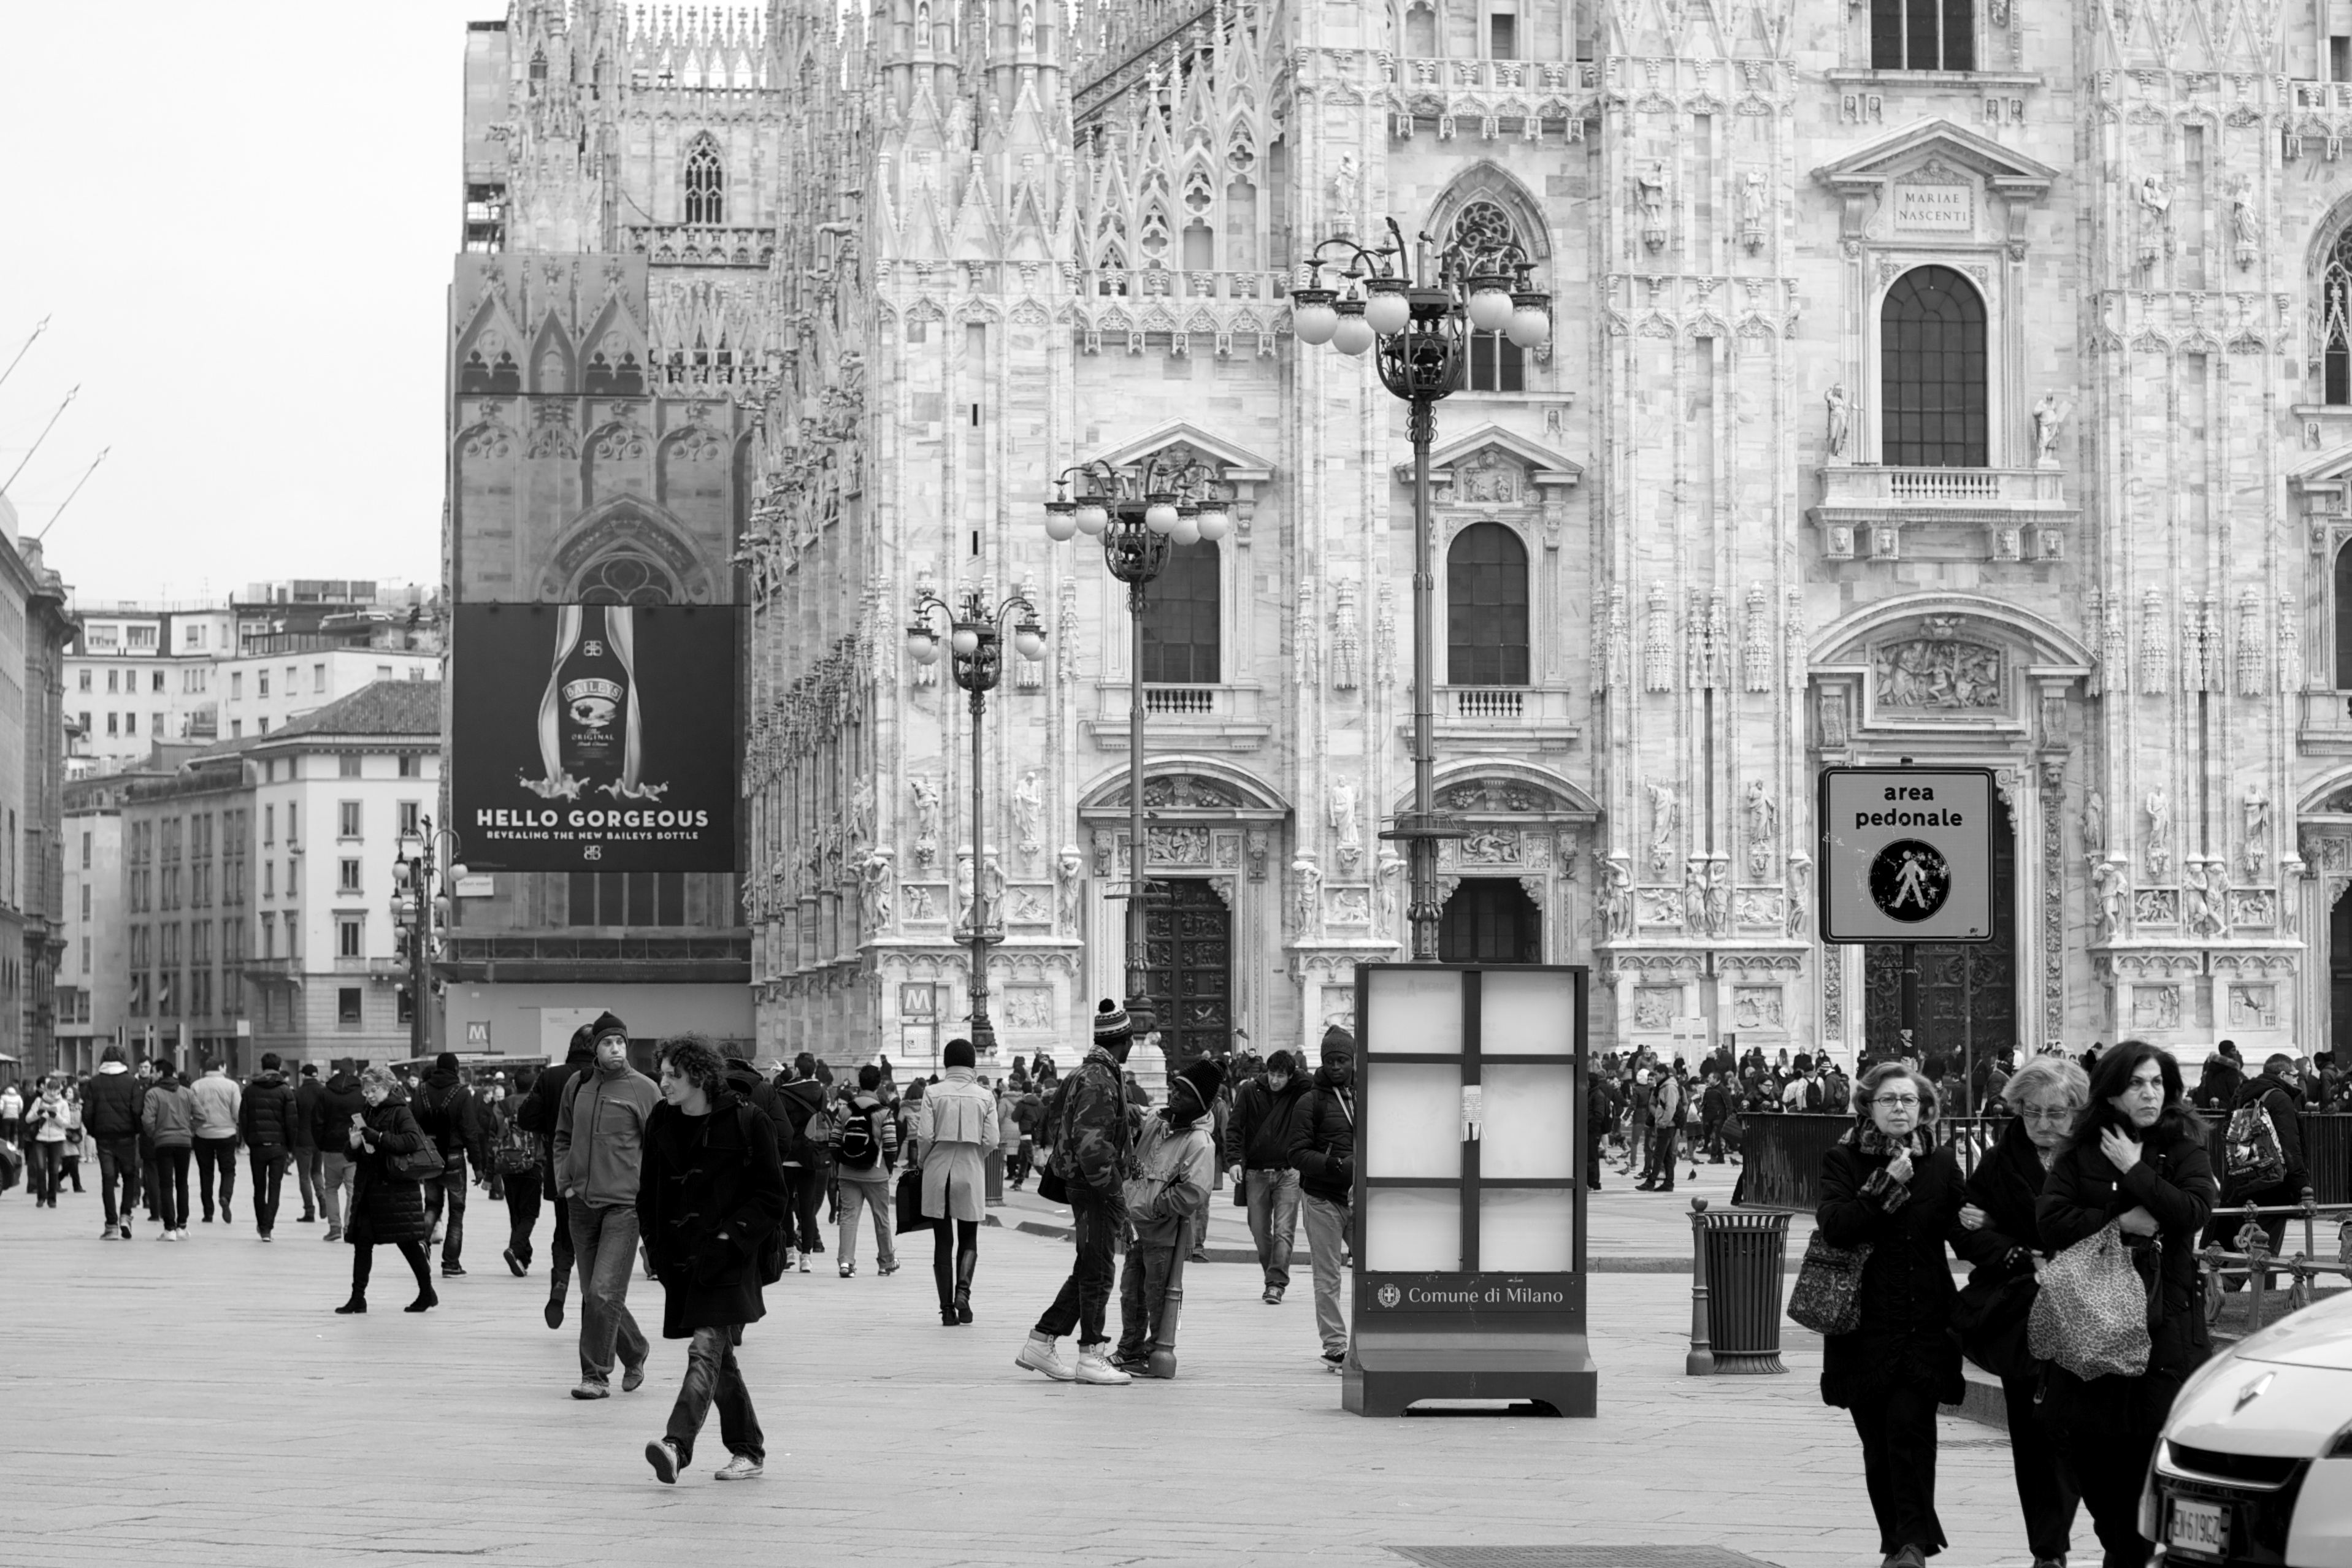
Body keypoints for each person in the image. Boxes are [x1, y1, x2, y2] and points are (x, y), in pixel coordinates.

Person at [2037, 1041, 2216, 1568]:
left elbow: (2192, 1211)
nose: (2148, 1093)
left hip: (2163, 1332)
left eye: (2157, 1082)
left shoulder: (2184, 1149)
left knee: (2145, 1468)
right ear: (2112, 1092)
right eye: (2136, 1083)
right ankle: (2121, 1549)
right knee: (2095, 1469)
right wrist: (2117, 1223)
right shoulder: (2078, 1152)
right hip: (2090, 1334)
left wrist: (2135, 1170)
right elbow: (2050, 1222)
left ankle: (2128, 1557)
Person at [1817, 1061, 1965, 1568]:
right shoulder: (1843, 1159)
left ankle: (1911, 1545)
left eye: (1908, 1099)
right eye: (1888, 1099)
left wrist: (2000, 1238)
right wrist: (1885, 1184)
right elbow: (1836, 1225)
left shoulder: (1940, 1163)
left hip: (1923, 1323)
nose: (1899, 1108)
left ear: (1924, 1108)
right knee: (1878, 1446)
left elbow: (1961, 1229)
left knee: (1910, 1430)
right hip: (1862, 1326)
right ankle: (1896, 1539)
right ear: (1868, 1106)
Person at [1953, 1055, 2089, 1568]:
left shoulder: (2097, 1155)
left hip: (2088, 1310)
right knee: (2031, 1435)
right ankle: (2047, 1549)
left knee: (2078, 1433)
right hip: (2022, 1313)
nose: (2042, 1123)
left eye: (2055, 1113)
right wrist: (2012, 1252)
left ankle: (2093, 1531)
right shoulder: (2000, 1158)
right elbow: (1965, 1228)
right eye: (2031, 1111)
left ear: (2077, 1109)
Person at [636, 1034, 786, 1485]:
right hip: (681, 1260)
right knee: (720, 1359)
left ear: (699, 1076)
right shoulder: (661, 1118)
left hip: (728, 1259)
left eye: (673, 1074)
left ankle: (676, 1445)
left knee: (704, 1349)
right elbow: (649, 1189)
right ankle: (748, 1448)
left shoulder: (747, 1119)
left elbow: (772, 1194)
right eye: (662, 1073)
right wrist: (654, 1244)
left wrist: (729, 1237)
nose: (664, 1082)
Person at [1017, 999, 1141, 1386]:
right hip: (1093, 1186)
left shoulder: (1086, 1073)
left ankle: (1042, 1340)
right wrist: (1114, 1192)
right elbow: (1092, 1144)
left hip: (1082, 1182)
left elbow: (1063, 1119)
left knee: (1089, 1266)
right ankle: (1090, 1353)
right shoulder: (1101, 1079)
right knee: (1099, 1271)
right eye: (1132, 1039)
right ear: (1125, 1040)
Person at [553, 1014, 656, 1399]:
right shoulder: (577, 1085)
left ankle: (595, 1376)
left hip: (624, 1208)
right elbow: (562, 1136)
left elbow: (659, 1150)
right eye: (608, 1043)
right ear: (595, 1048)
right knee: (595, 1293)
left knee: (602, 1293)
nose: (616, 1049)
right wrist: (566, 1183)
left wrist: (648, 1198)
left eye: (621, 1043)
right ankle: (636, 1348)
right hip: (581, 1204)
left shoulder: (644, 1089)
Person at [1114, 1059, 1220, 1378]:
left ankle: (1155, 1352)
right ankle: (1129, 1350)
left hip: (1164, 1230)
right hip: (1137, 1226)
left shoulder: (1199, 1142)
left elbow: (1194, 1192)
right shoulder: (1156, 1122)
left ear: (1199, 1103)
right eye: (1174, 1089)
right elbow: (1131, 1113)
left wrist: (1156, 1207)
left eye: (1183, 1094)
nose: (1174, 1096)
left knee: (1158, 1295)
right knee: (1131, 1292)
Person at [335, 1066, 437, 1314]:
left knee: (408, 1243)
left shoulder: (400, 1111)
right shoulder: (367, 1111)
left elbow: (412, 1140)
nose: (369, 1095)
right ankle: (358, 1298)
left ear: (387, 1088)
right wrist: (353, 1145)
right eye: (366, 1091)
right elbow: (358, 1152)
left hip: (396, 1191)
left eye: (374, 1090)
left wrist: (379, 1137)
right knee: (362, 1242)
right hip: (370, 1189)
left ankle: (426, 1292)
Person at [2204, 1051, 2309, 1290]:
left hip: (2240, 1183)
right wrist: (2302, 1188)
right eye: (2295, 1075)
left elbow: (2228, 1140)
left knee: (2248, 1246)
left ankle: (2256, 1296)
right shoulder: (2280, 1099)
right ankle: (2222, 1290)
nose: (2297, 1080)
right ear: (2282, 1074)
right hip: (2272, 1186)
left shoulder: (2241, 1095)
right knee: (2262, 1252)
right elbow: (2290, 1148)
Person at [1288, 1025, 1358, 1373]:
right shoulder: (1310, 1101)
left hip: (1361, 1200)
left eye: (1342, 1060)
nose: (1336, 1067)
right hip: (1322, 1199)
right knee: (1328, 1276)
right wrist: (1336, 1165)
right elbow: (1296, 1153)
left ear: (1353, 1060)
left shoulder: (1364, 1095)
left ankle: (1370, 1338)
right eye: (1330, 1060)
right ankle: (1335, 1346)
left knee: (1375, 1271)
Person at [519, 1025, 598, 1326]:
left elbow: (526, 1118)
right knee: (597, 1242)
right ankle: (591, 1306)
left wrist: (552, 1127)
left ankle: (560, 1285)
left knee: (565, 1235)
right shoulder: (605, 1077)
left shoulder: (551, 1076)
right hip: (602, 1176)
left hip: (562, 1171)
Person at [917, 1038, 997, 1326]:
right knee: (969, 1236)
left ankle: (947, 1310)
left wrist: (923, 1161)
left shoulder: (932, 1092)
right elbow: (992, 1140)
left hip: (939, 1169)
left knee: (943, 1239)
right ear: (972, 1064)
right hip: (970, 1168)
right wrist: (976, 1155)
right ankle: (963, 1293)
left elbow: (925, 1136)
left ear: (946, 1063)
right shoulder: (985, 1096)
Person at [1223, 1048, 1306, 1306]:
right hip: (1256, 1173)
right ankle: (1273, 1274)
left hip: (1288, 1173)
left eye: (1281, 1075)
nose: (1275, 1080)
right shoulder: (1250, 1091)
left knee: (1284, 1230)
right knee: (1259, 1231)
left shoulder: (1297, 1091)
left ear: (1290, 1076)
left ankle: (1275, 1284)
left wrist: (1296, 1071)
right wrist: (1234, 1162)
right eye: (1272, 1074)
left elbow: (1313, 1081)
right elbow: (1234, 1128)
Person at [412, 1052, 490, 1277]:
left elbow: (413, 1124)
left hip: (429, 1158)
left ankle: (422, 1242)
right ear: (455, 1069)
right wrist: (478, 1165)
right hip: (454, 1157)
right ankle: (451, 1263)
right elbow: (470, 1131)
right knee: (457, 1211)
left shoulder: (421, 1091)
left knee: (432, 1205)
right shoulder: (462, 1093)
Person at [830, 1064, 899, 1277]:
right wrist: (888, 1168)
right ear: (878, 1085)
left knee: (848, 1217)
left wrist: (843, 1163)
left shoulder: (845, 1110)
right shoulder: (884, 1112)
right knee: (881, 1219)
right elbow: (891, 1145)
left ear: (859, 1084)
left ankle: (846, 1263)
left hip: (848, 1173)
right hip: (876, 1174)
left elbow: (834, 1143)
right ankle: (886, 1262)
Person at [775, 1055, 830, 1272]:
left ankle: (789, 1250)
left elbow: (779, 1125)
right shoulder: (821, 1092)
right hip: (810, 1155)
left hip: (788, 1156)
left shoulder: (783, 1093)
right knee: (807, 1207)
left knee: (787, 1206)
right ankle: (806, 1256)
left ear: (797, 1070)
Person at [237, 1053, 300, 1241]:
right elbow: (292, 1122)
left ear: (263, 1067)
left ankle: (261, 1223)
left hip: (257, 1146)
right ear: (279, 1068)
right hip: (278, 1146)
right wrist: (290, 1147)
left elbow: (244, 1119)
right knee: (275, 1187)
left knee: (259, 1187)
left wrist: (250, 1141)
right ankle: (267, 1228)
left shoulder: (250, 1090)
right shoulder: (285, 1091)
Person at [85, 1044, 145, 1239]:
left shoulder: (94, 1083)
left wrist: (94, 1131)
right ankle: (125, 1216)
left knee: (108, 1179)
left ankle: (111, 1225)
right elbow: (137, 1110)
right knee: (129, 1177)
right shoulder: (132, 1082)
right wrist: (136, 1130)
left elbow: (87, 1113)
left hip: (104, 1138)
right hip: (127, 1136)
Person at [492, 1073, 547, 1275]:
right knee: (530, 1213)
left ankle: (523, 1256)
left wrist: (489, 1173)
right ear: (534, 1084)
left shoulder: (502, 1105)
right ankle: (515, 1250)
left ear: (514, 1084)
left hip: (508, 1164)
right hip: (534, 1163)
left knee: (516, 1212)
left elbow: (494, 1136)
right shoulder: (540, 1103)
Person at [312, 1061, 369, 1244]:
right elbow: (365, 1120)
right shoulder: (361, 1094)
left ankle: (334, 1227)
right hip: (354, 1146)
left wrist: (322, 1144)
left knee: (331, 1188)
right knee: (352, 1189)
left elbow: (317, 1121)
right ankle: (349, 1227)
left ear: (338, 1070)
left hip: (331, 1148)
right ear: (355, 1071)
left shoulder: (325, 1093)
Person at [140, 1063, 197, 1239]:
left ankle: (170, 1228)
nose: (152, 1075)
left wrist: (155, 1133)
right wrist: (189, 1130)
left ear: (160, 1073)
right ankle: (182, 1227)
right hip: (184, 1142)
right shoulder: (187, 1093)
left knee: (166, 1184)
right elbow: (202, 1115)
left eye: (153, 1072)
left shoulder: (153, 1093)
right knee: (182, 1183)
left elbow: (147, 1120)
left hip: (163, 1142)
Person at [187, 1059, 242, 1225]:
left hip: (203, 1135)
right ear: (221, 1067)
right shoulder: (232, 1086)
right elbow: (237, 1112)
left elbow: (191, 1111)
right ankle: (225, 1196)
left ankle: (208, 1212)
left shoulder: (196, 1086)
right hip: (226, 1134)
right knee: (228, 1170)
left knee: (206, 1173)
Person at [26, 1078, 70, 1207]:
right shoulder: (39, 1101)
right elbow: (28, 1119)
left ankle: (52, 1199)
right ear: (46, 1089)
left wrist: (54, 1116)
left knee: (54, 1170)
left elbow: (67, 1123)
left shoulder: (63, 1104)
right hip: (40, 1139)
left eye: (55, 1090)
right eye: (50, 1090)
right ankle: (41, 1197)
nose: (52, 1093)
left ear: (59, 1090)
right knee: (40, 1168)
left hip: (57, 1139)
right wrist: (39, 1113)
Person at [291, 1063, 324, 1225]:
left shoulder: (299, 1093)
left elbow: (293, 1118)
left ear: (304, 1075)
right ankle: (322, 1198)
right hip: (320, 1140)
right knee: (317, 1173)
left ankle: (310, 1211)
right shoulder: (324, 1092)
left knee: (304, 1177)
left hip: (303, 1140)